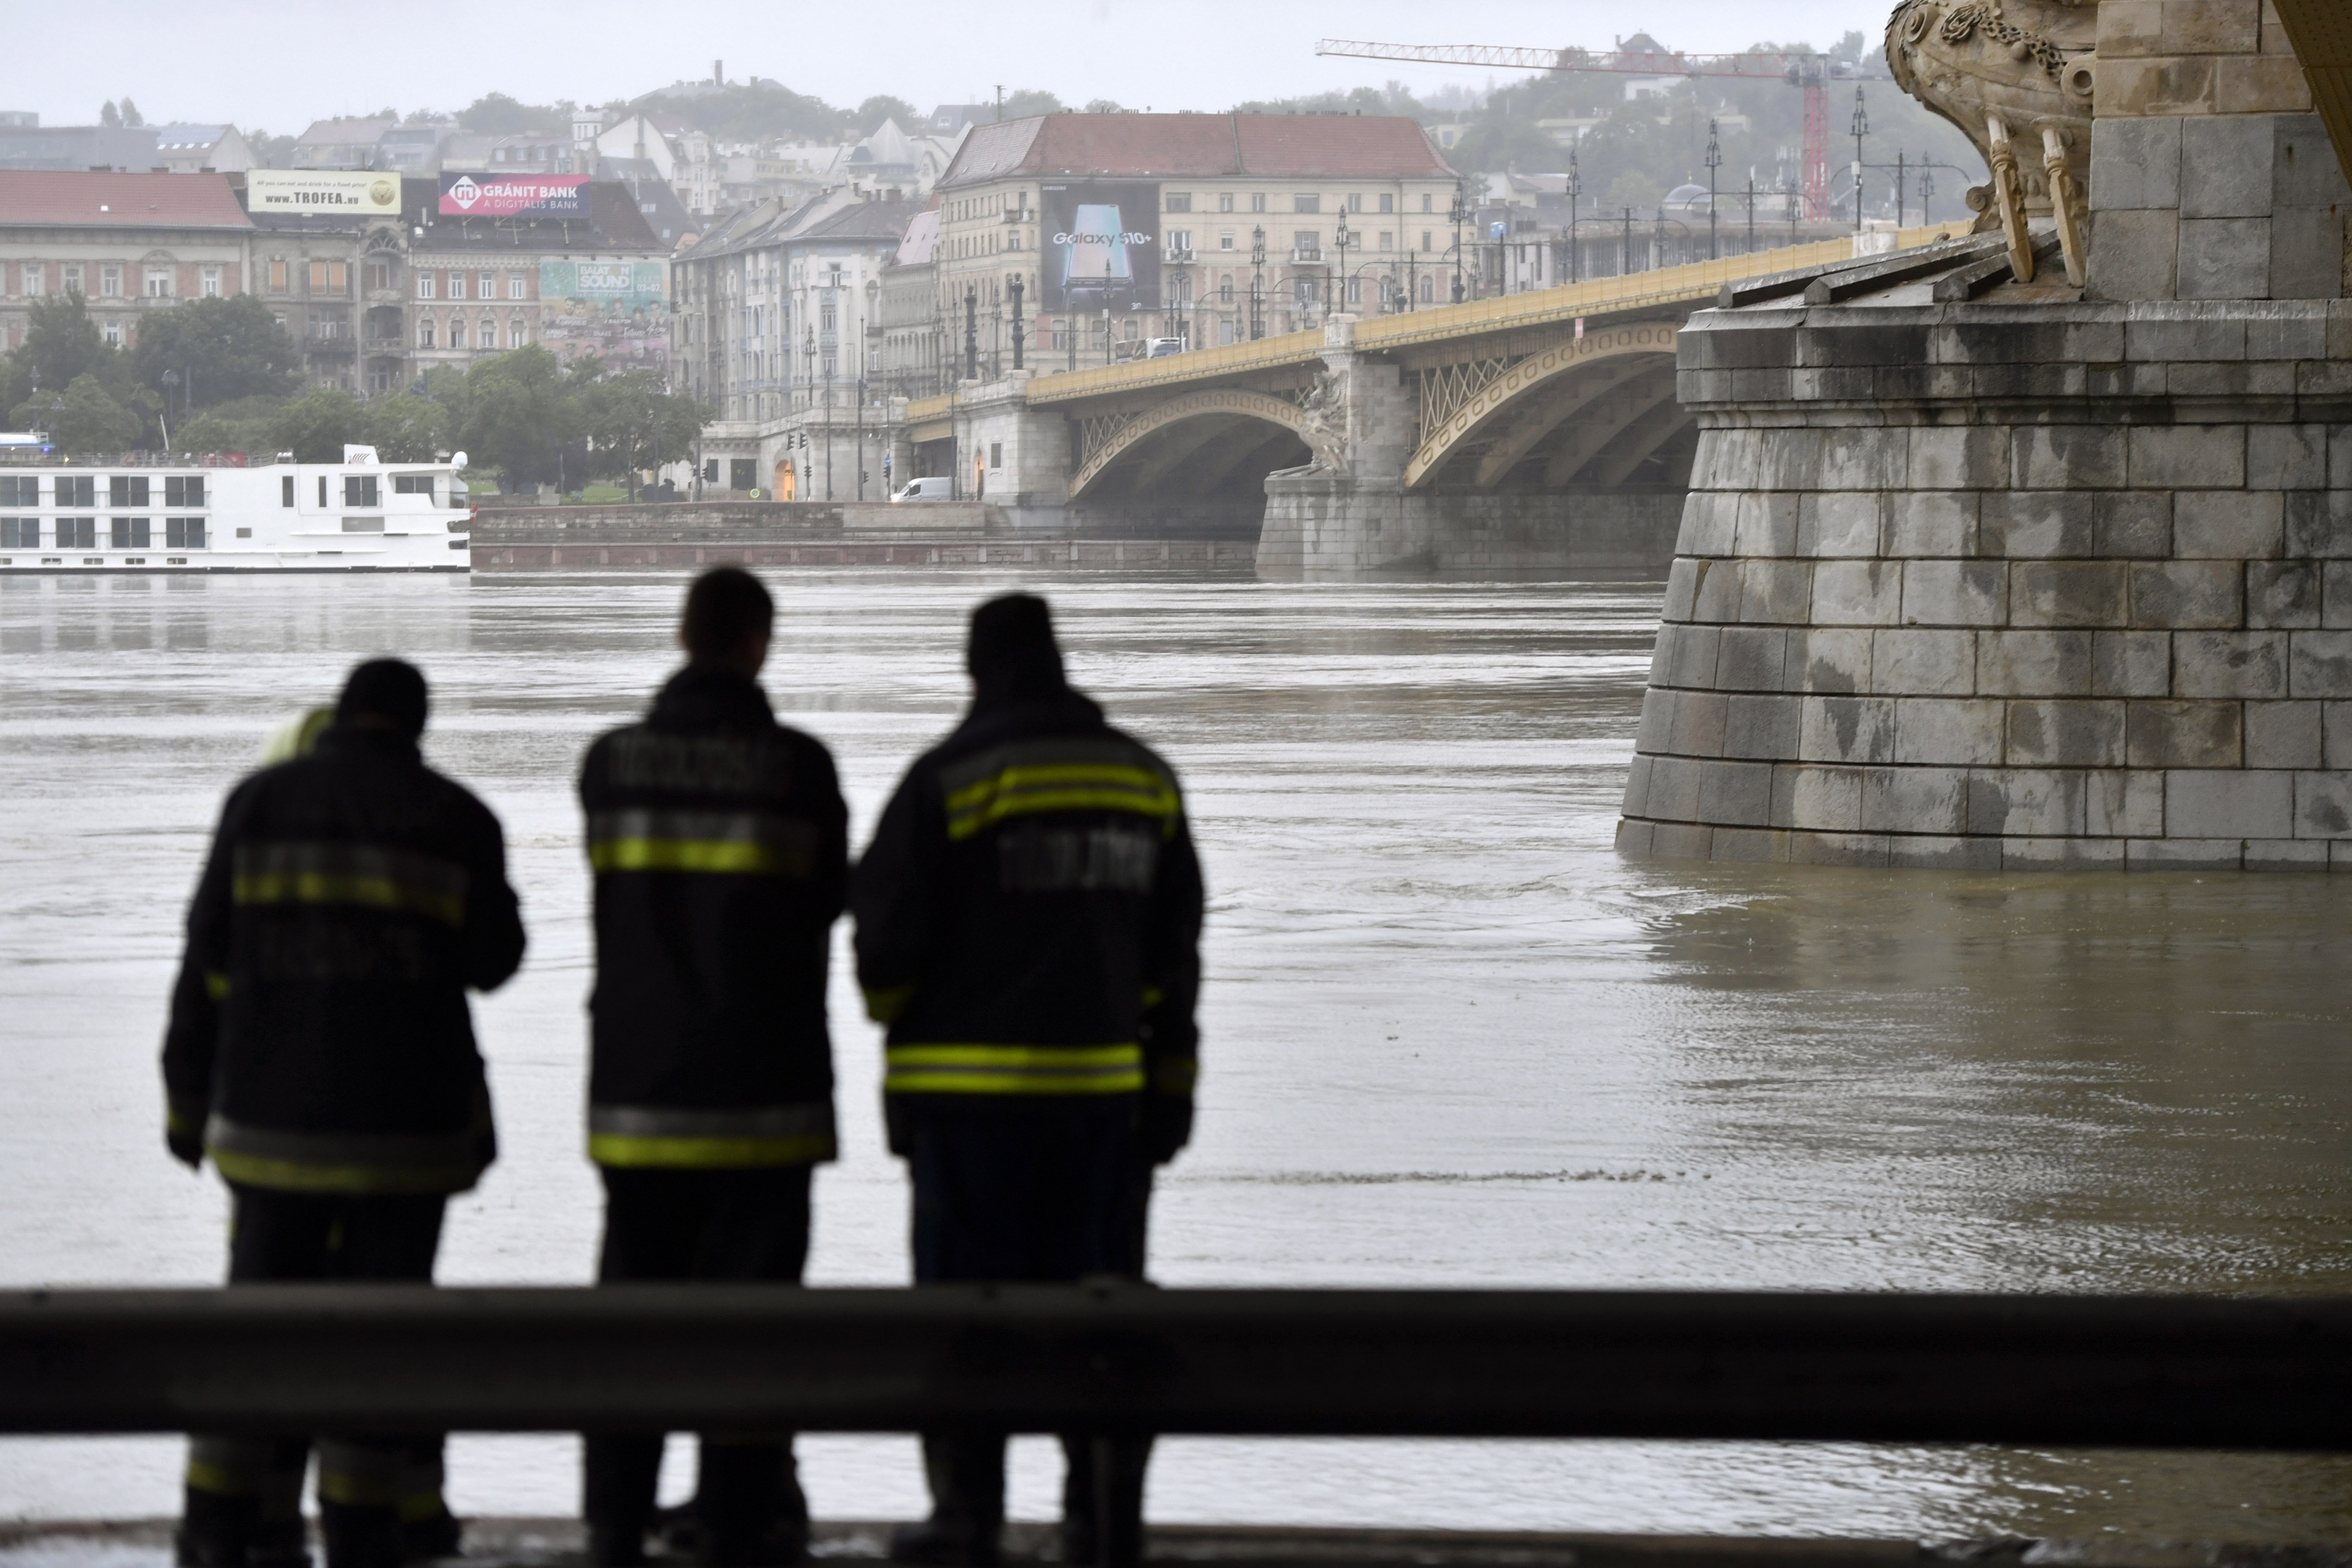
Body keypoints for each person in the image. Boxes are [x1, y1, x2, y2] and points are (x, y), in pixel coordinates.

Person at [852, 593, 1203, 1568]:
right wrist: (1169, 1087)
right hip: (1105, 1109)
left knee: (970, 1317)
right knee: (1102, 1317)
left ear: (976, 669)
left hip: (967, 1116)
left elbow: (883, 945)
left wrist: (905, 1032)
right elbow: (1177, 955)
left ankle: (968, 1513)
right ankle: (1099, 1515)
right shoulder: (1144, 780)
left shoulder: (948, 781)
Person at [162, 659, 526, 1568]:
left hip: (269, 1132)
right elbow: (494, 959)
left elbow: (206, 955)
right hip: (408, 1140)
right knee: (384, 1337)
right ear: (417, 723)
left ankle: (219, 1523)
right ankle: (368, 1532)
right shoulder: (459, 816)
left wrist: (190, 1107)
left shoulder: (259, 802)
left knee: (255, 1332)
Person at [576, 566, 849, 1568]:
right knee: (755, 1319)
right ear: (759, 644)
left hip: (639, 1095)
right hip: (768, 1097)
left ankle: (614, 1519)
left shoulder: (613, 764)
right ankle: (737, 1516)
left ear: (685, 633)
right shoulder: (801, 769)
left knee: (634, 1314)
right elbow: (827, 901)